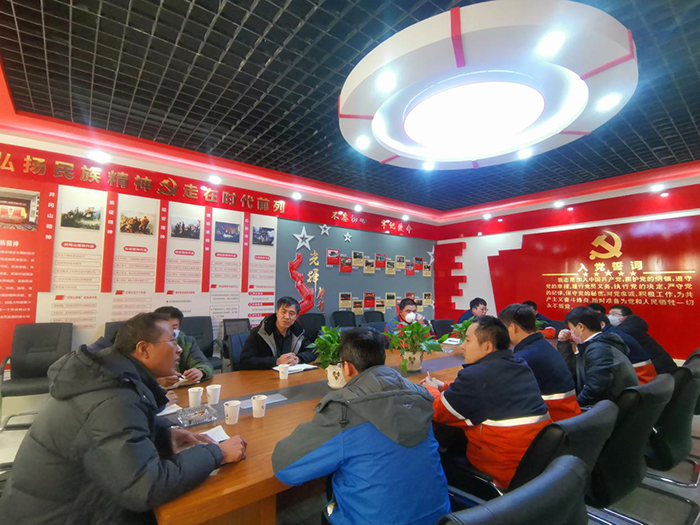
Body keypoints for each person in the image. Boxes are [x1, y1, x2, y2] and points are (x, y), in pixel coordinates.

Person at [0, 313, 246, 524]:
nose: (179, 348)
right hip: (60, 517)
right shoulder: (111, 398)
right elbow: (145, 487)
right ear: (143, 349)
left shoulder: (112, 378)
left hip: (77, 502)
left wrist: (163, 433)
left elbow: (120, 430)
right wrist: (217, 453)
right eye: (172, 341)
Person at [272, 328, 450, 524]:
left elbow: (285, 468)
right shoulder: (420, 396)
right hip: (441, 518)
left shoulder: (344, 410)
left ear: (347, 368)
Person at [421, 316, 551, 489]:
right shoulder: (518, 364)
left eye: (468, 340)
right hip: (536, 467)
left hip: (500, 473)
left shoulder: (475, 376)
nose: (463, 346)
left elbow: (439, 410)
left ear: (487, 347)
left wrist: (430, 388)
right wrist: (444, 385)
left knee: (435, 448)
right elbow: (486, 388)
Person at [499, 304, 580, 421]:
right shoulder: (543, 344)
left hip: (554, 419)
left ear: (513, 327)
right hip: (569, 414)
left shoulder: (524, 358)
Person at [558, 307, 638, 407]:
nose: (570, 332)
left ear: (580, 327)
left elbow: (595, 390)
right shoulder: (595, 344)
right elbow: (573, 369)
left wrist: (575, 408)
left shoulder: (599, 350)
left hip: (612, 408)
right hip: (609, 404)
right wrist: (564, 344)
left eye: (571, 328)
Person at [239, 296, 316, 370]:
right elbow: (244, 361)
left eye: (291, 313)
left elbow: (314, 351)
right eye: (283, 312)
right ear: (277, 312)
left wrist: (298, 358)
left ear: (296, 317)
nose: (287, 317)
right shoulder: (259, 333)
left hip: (290, 375)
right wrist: (276, 361)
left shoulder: (298, 333)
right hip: (265, 376)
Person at [587, 304, 657, 384]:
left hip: (640, 379)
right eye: (609, 314)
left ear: (602, 324)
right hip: (644, 376)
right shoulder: (613, 332)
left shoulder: (613, 336)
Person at [608, 305, 678, 374]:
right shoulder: (632, 326)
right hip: (660, 367)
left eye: (614, 314)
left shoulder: (628, 331)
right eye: (609, 314)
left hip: (657, 369)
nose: (610, 317)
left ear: (627, 317)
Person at [154, 306, 213, 386]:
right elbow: (140, 374)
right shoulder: (149, 344)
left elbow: (203, 363)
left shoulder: (187, 341)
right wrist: (156, 381)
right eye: (166, 328)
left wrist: (200, 372)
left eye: (174, 327)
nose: (171, 331)